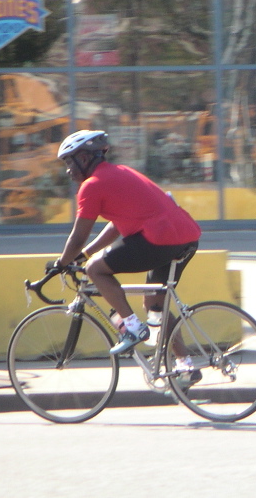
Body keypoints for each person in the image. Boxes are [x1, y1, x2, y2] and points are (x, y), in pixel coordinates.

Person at [52, 129, 202, 356]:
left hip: (159, 238)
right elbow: (115, 226)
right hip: (185, 236)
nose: (68, 170)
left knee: (95, 269)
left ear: (83, 158)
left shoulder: (92, 186)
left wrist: (61, 263)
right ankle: (185, 366)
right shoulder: (121, 172)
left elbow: (77, 236)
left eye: (69, 162)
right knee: (155, 306)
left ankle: (132, 328)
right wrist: (84, 253)